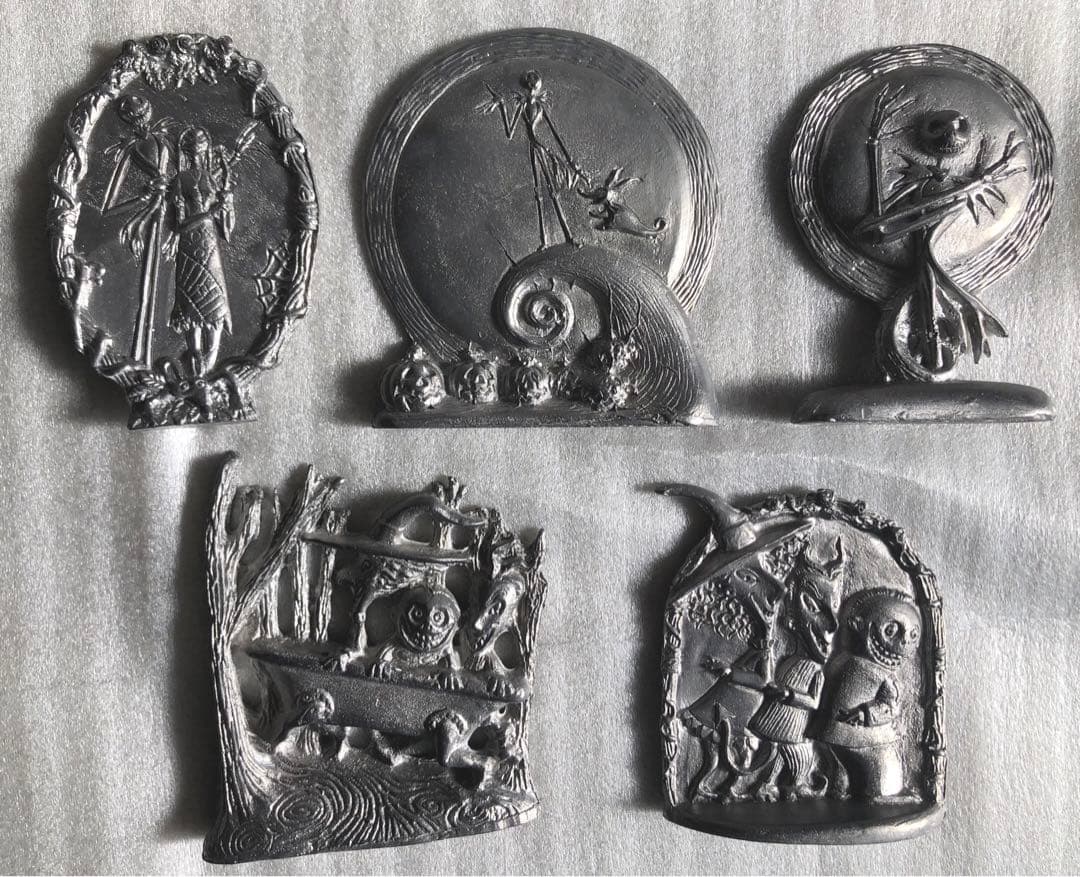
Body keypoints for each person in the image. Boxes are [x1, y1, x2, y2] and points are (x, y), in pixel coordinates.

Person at [170, 126, 233, 375]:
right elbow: (178, 225)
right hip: (189, 245)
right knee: (190, 306)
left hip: (210, 244)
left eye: (201, 151)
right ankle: (196, 367)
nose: (197, 156)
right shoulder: (180, 180)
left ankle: (209, 365)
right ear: (187, 153)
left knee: (215, 303)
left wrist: (227, 204)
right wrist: (210, 213)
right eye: (193, 152)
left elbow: (226, 226)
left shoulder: (211, 179)